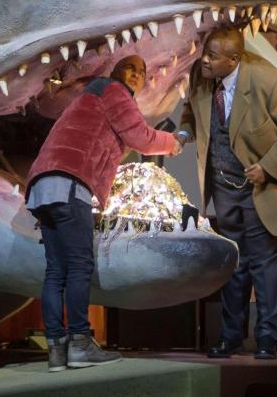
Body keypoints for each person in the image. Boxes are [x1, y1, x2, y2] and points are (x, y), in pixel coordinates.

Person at [24, 55, 182, 372]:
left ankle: (56, 350)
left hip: (43, 185)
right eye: (131, 68)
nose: (137, 75)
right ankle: (80, 343)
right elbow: (141, 137)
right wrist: (172, 142)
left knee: (56, 271)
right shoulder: (113, 91)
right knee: (80, 266)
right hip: (70, 182)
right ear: (116, 72)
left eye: (142, 70)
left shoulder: (87, 99)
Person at [177, 25, 277, 360]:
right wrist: (184, 131)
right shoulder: (201, 76)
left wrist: (268, 167)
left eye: (212, 56)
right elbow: (192, 112)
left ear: (233, 59)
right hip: (226, 188)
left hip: (268, 189)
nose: (205, 60)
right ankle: (230, 337)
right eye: (205, 53)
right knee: (233, 265)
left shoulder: (268, 81)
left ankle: (267, 337)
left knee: (266, 266)